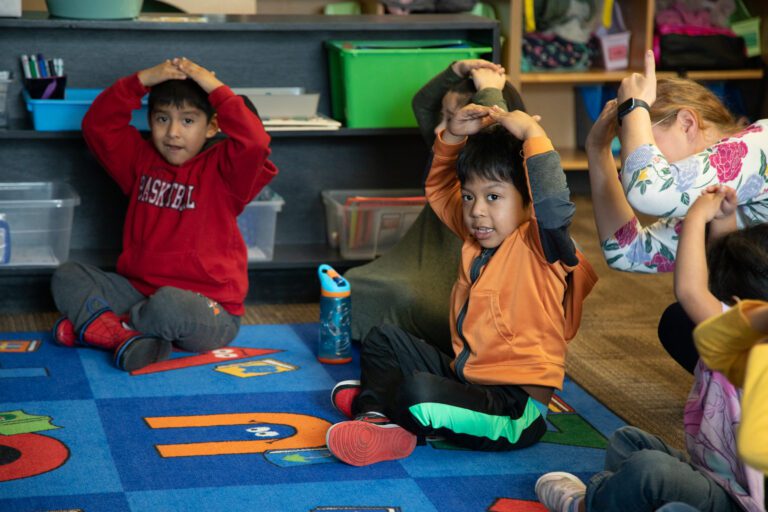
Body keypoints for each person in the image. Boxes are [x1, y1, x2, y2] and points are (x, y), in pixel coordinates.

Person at [325, 103, 597, 466]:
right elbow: (438, 189)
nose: (477, 210)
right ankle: (375, 413)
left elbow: (554, 205)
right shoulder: (476, 238)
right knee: (382, 338)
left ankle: (384, 401)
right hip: (468, 380)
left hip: (514, 412)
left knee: (416, 394)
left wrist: (534, 136)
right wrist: (452, 134)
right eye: (470, 196)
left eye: (494, 197)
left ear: (528, 203)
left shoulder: (540, 245)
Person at [535, 187, 766, 512]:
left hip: (739, 503)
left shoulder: (751, 343)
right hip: (715, 477)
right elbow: (720, 279)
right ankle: (627, 499)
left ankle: (586, 504)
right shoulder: (742, 334)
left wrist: (698, 215)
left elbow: (690, 291)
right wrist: (725, 219)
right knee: (628, 442)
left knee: (650, 472)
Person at [49, 57, 278, 371]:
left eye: (187, 121)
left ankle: (100, 327)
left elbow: (254, 141)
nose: (172, 133)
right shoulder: (140, 160)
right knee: (68, 275)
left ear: (211, 126)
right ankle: (123, 337)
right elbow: (98, 125)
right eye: (161, 119)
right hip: (137, 291)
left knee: (168, 304)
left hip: (208, 309)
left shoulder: (227, 173)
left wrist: (209, 83)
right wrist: (142, 80)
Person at [585, 50, 768, 372]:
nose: (640, 163)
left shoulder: (759, 143)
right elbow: (628, 251)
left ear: (687, 123)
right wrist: (597, 150)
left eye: (647, 146)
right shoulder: (710, 199)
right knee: (681, 324)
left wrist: (635, 109)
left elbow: (651, 192)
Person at [344, 59, 525, 354]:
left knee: (409, 300)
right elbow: (422, 104)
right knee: (358, 283)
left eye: (456, 117)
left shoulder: (496, 163)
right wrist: (457, 70)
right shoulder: (448, 143)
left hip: (454, 278)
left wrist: (490, 92)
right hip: (418, 264)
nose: (444, 126)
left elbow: (499, 132)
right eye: (445, 116)